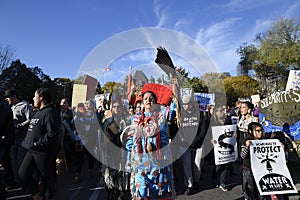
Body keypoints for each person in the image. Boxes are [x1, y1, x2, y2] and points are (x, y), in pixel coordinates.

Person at [123, 89, 174, 199]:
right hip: (140, 161)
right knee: (142, 191)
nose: (148, 100)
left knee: (160, 190)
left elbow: (164, 139)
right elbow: (131, 141)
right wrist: (128, 159)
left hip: (158, 160)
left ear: (155, 102)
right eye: (145, 98)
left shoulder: (161, 118)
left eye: (151, 98)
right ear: (142, 102)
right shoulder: (136, 119)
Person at [19, 88, 61, 200]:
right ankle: (36, 196)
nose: (33, 98)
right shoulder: (38, 112)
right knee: (23, 174)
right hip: (31, 150)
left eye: (35, 96)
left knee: (46, 180)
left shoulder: (50, 112)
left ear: (41, 97)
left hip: (42, 152)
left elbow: (52, 133)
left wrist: (38, 143)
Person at [4, 88, 33, 190]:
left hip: (23, 138)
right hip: (13, 138)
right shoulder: (9, 107)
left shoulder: (25, 105)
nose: (7, 100)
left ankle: (25, 182)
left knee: (21, 161)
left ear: (14, 96)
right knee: (13, 161)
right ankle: (17, 181)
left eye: (8, 98)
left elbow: (30, 120)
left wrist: (18, 126)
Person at [102, 99, 131, 199]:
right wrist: (119, 137)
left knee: (124, 187)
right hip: (111, 156)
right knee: (112, 186)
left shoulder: (128, 121)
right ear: (111, 108)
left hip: (124, 156)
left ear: (122, 108)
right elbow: (107, 140)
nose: (116, 109)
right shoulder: (107, 122)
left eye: (118, 107)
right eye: (114, 107)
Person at [209, 104, 232, 192]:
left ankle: (223, 182)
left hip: (226, 145)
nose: (222, 112)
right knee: (218, 165)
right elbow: (209, 133)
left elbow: (232, 129)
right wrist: (211, 139)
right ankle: (215, 178)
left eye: (223, 110)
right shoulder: (212, 122)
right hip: (216, 146)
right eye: (220, 111)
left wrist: (234, 135)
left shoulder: (227, 120)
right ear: (215, 112)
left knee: (225, 164)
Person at [240, 122, 264, 200]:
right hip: (248, 169)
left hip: (260, 169)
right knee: (250, 189)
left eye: (261, 130)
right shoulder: (246, 141)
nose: (260, 133)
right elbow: (242, 156)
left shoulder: (264, 141)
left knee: (260, 189)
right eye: (257, 131)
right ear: (251, 131)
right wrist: (247, 147)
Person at [0, 89, 15, 199]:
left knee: (6, 161)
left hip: (4, 140)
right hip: (5, 140)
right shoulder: (5, 106)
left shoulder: (3, 107)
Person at [60, 98, 74, 170]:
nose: (62, 105)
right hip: (60, 136)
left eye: (64, 103)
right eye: (61, 103)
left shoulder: (71, 113)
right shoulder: (58, 113)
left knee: (68, 150)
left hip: (68, 135)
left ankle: (71, 164)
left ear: (68, 104)